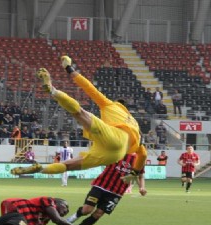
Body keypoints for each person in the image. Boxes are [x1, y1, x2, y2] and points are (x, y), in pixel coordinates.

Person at [10, 56, 146, 176]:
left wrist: (69, 68)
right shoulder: (135, 125)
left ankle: (52, 90)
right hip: (116, 154)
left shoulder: (111, 105)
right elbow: (143, 155)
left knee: (79, 113)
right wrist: (134, 172)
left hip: (116, 136)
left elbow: (89, 88)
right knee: (68, 166)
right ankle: (41, 169)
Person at [63, 153, 146, 225]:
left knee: (98, 214)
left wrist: (142, 187)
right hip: (101, 186)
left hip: (116, 193)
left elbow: (140, 176)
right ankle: (75, 216)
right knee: (87, 210)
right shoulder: (117, 151)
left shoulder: (140, 159)